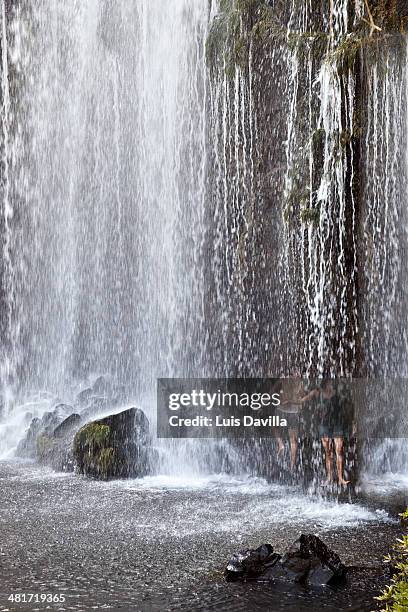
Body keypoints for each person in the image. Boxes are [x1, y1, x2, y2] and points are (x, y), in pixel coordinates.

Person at [283, 380, 351, 487]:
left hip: (337, 424)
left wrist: (352, 422)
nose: (330, 384)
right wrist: (291, 402)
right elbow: (302, 401)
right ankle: (329, 477)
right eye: (328, 383)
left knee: (339, 450)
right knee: (328, 452)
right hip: (324, 425)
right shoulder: (317, 392)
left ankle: (340, 477)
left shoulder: (337, 391)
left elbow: (346, 407)